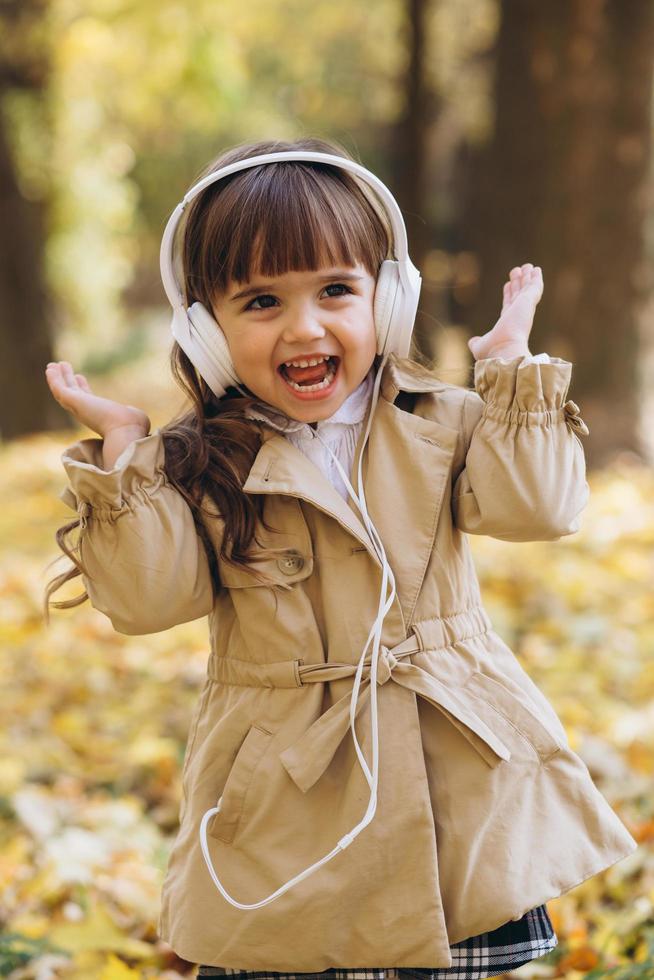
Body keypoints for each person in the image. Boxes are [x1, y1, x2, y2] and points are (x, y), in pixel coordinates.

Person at [44, 137, 638, 980]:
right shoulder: (198, 460)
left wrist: (508, 372)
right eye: (260, 301)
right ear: (206, 330)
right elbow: (148, 600)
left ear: (387, 301)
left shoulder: (442, 421)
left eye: (335, 290)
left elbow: (540, 507)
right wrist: (127, 455)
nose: (306, 326)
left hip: (446, 770)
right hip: (286, 781)